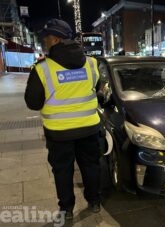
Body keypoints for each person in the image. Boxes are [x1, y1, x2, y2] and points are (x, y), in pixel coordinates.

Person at [24, 18, 103, 220]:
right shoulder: (92, 64)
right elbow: (98, 90)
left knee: (62, 171)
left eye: (47, 38)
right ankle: (94, 202)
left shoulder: (42, 69)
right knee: (91, 165)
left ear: (57, 39)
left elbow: (33, 103)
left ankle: (67, 209)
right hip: (89, 128)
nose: (45, 42)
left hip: (59, 133)